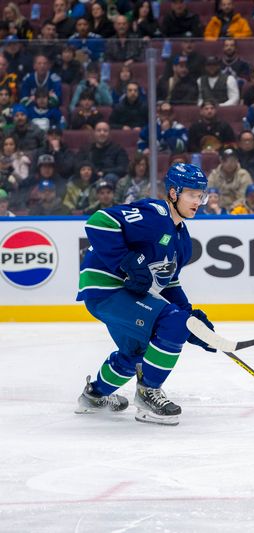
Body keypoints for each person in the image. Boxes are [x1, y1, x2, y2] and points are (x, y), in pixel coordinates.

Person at [74, 163, 216, 426]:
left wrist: (191, 320)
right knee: (172, 323)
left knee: (136, 352)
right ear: (173, 193)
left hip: (118, 295)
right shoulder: (155, 213)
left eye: (201, 195)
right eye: (192, 195)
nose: (198, 201)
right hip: (106, 287)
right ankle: (147, 392)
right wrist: (126, 262)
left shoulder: (183, 241)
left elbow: (169, 283)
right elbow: (99, 222)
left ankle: (93, 396)